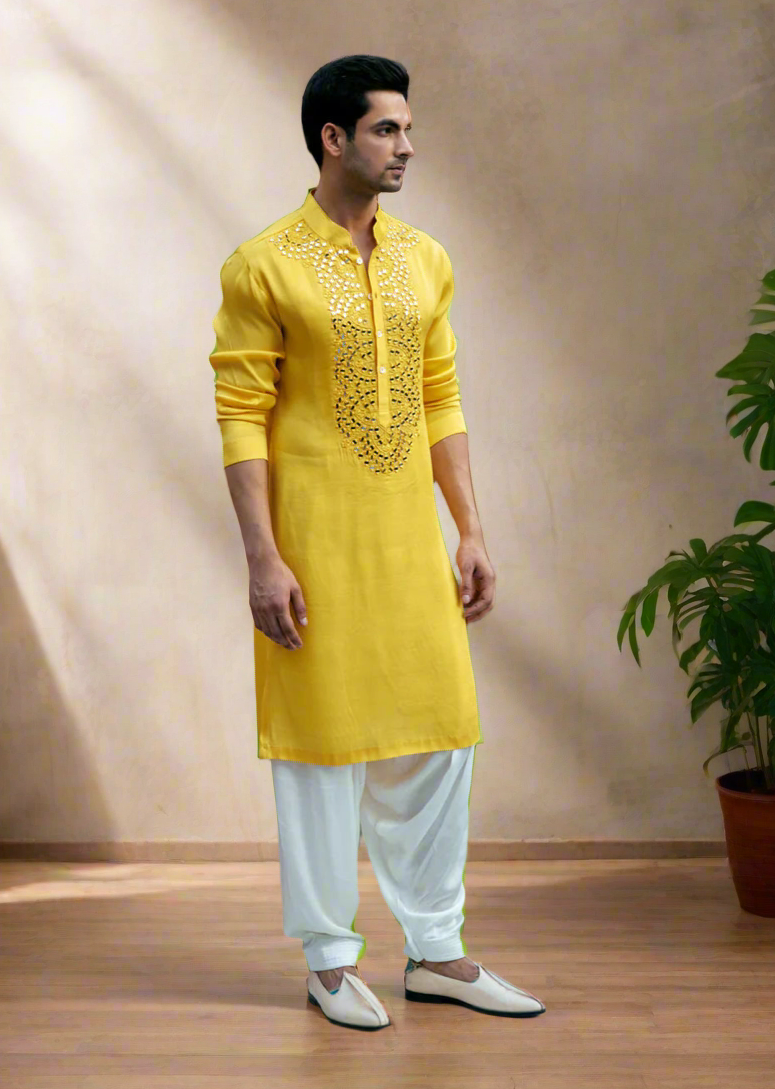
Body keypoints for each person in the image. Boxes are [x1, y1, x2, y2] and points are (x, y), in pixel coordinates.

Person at [209, 54, 546, 1030]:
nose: (406, 147)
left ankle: (437, 952)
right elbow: (240, 415)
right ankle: (328, 961)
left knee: (440, 739)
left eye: (406, 128)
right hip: (313, 544)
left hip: (407, 542)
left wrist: (470, 528)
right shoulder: (263, 264)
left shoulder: (425, 259)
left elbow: (441, 397)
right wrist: (263, 557)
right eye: (386, 130)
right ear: (333, 139)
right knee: (319, 751)